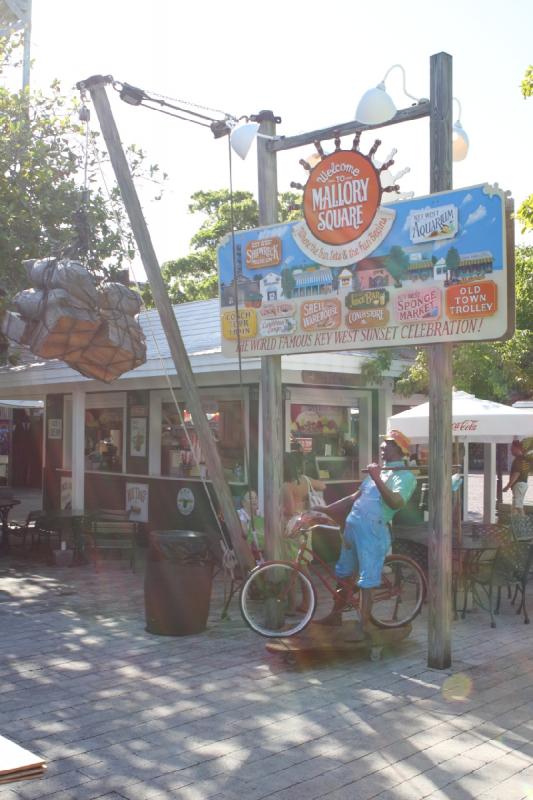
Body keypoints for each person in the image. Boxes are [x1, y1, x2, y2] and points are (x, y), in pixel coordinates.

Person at [314, 429, 417, 639]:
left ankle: (366, 624)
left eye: (386, 444)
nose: (381, 448)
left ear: (398, 450)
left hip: (373, 530)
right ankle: (335, 615)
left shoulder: (405, 477)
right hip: (353, 527)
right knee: (343, 573)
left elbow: (396, 502)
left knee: (366, 578)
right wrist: (327, 509)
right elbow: (355, 497)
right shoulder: (379, 471)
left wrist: (377, 478)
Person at [503, 440, 530, 516]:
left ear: (517, 448)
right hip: (523, 484)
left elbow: (516, 474)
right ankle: (514, 523)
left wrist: (507, 486)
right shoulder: (525, 459)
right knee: (515, 507)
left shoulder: (518, 460)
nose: (511, 451)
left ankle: (524, 524)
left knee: (518, 506)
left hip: (519, 485)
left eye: (512, 448)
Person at [237, 489, 264, 559]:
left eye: (256, 498)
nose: (254, 500)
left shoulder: (258, 515)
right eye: (250, 498)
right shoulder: (240, 515)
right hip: (247, 553)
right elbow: (245, 534)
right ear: (243, 502)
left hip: (259, 551)